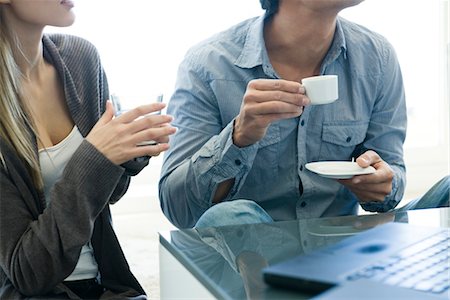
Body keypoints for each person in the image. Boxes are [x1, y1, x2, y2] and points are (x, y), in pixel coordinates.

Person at [159, 0, 408, 229]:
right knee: (230, 215)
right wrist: (238, 137)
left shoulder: (377, 58)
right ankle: (278, 279)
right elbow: (178, 208)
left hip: (341, 243)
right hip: (252, 254)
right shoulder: (208, 65)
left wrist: (383, 183)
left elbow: (390, 174)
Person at [0, 0, 176, 299]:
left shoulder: (81, 59)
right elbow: (27, 272)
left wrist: (127, 153)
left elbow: (107, 197)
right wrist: (96, 157)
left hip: (106, 282)